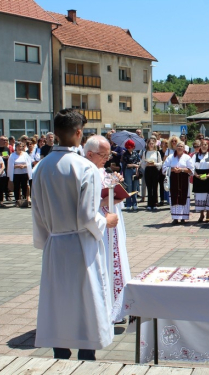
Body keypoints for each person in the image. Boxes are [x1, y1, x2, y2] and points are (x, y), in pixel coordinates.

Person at [32, 108, 118, 360]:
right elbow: (87, 216)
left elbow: (36, 212)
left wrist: (45, 241)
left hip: (55, 242)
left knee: (58, 299)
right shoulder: (85, 168)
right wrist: (107, 220)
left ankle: (60, 353)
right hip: (81, 244)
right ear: (79, 133)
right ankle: (86, 356)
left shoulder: (41, 167)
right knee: (86, 299)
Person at [84, 135, 131, 318]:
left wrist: (117, 182)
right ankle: (104, 309)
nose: (107, 158)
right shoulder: (85, 172)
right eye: (103, 154)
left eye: (108, 154)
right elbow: (82, 204)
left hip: (113, 223)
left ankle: (116, 306)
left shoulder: (102, 170)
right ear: (89, 154)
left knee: (116, 260)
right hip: (99, 226)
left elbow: (110, 190)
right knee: (103, 263)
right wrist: (105, 199)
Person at [162, 141, 194, 224]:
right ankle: (175, 218)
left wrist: (181, 169)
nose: (180, 147)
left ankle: (183, 217)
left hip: (183, 179)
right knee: (174, 196)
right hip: (173, 179)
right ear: (176, 148)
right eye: (178, 146)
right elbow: (164, 168)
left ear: (184, 148)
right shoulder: (170, 157)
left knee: (184, 196)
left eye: (181, 146)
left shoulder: (187, 157)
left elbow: (191, 170)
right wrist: (172, 169)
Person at [191, 139, 209, 222]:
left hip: (208, 177)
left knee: (208, 196)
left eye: (205, 145)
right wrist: (196, 175)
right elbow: (192, 167)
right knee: (200, 196)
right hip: (198, 177)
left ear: (208, 146)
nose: (204, 146)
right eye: (202, 144)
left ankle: (208, 214)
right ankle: (201, 214)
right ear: (200, 146)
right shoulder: (195, 155)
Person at [8, 141, 33, 205]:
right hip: (16, 174)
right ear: (16, 147)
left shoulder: (25, 154)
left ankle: (24, 199)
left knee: (24, 186)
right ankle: (17, 200)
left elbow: (29, 164)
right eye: (19, 146)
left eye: (21, 146)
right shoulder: (12, 155)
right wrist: (17, 166)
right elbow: (10, 165)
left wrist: (24, 166)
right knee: (17, 187)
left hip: (24, 173)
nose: (20, 148)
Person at [141, 138, 163, 211]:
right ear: (148, 144)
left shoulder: (157, 153)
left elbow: (160, 163)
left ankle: (155, 203)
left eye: (152, 143)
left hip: (154, 169)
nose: (151, 145)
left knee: (155, 187)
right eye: (150, 143)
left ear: (154, 144)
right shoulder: (145, 152)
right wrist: (146, 164)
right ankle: (149, 204)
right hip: (148, 170)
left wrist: (155, 164)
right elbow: (142, 163)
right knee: (149, 188)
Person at [121, 140, 141, 211]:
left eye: (133, 147)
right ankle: (128, 203)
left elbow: (139, 162)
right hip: (128, 171)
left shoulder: (135, 153)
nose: (132, 148)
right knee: (129, 187)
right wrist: (134, 165)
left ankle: (135, 204)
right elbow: (126, 165)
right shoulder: (125, 154)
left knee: (135, 187)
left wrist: (137, 170)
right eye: (131, 147)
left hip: (135, 170)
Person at [0, 136, 10, 202]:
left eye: (6, 140)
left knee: (6, 182)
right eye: (3, 140)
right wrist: (3, 157)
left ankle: (7, 195)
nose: (5, 141)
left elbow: (8, 156)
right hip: (0, 167)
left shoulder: (6, 148)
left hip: (6, 167)